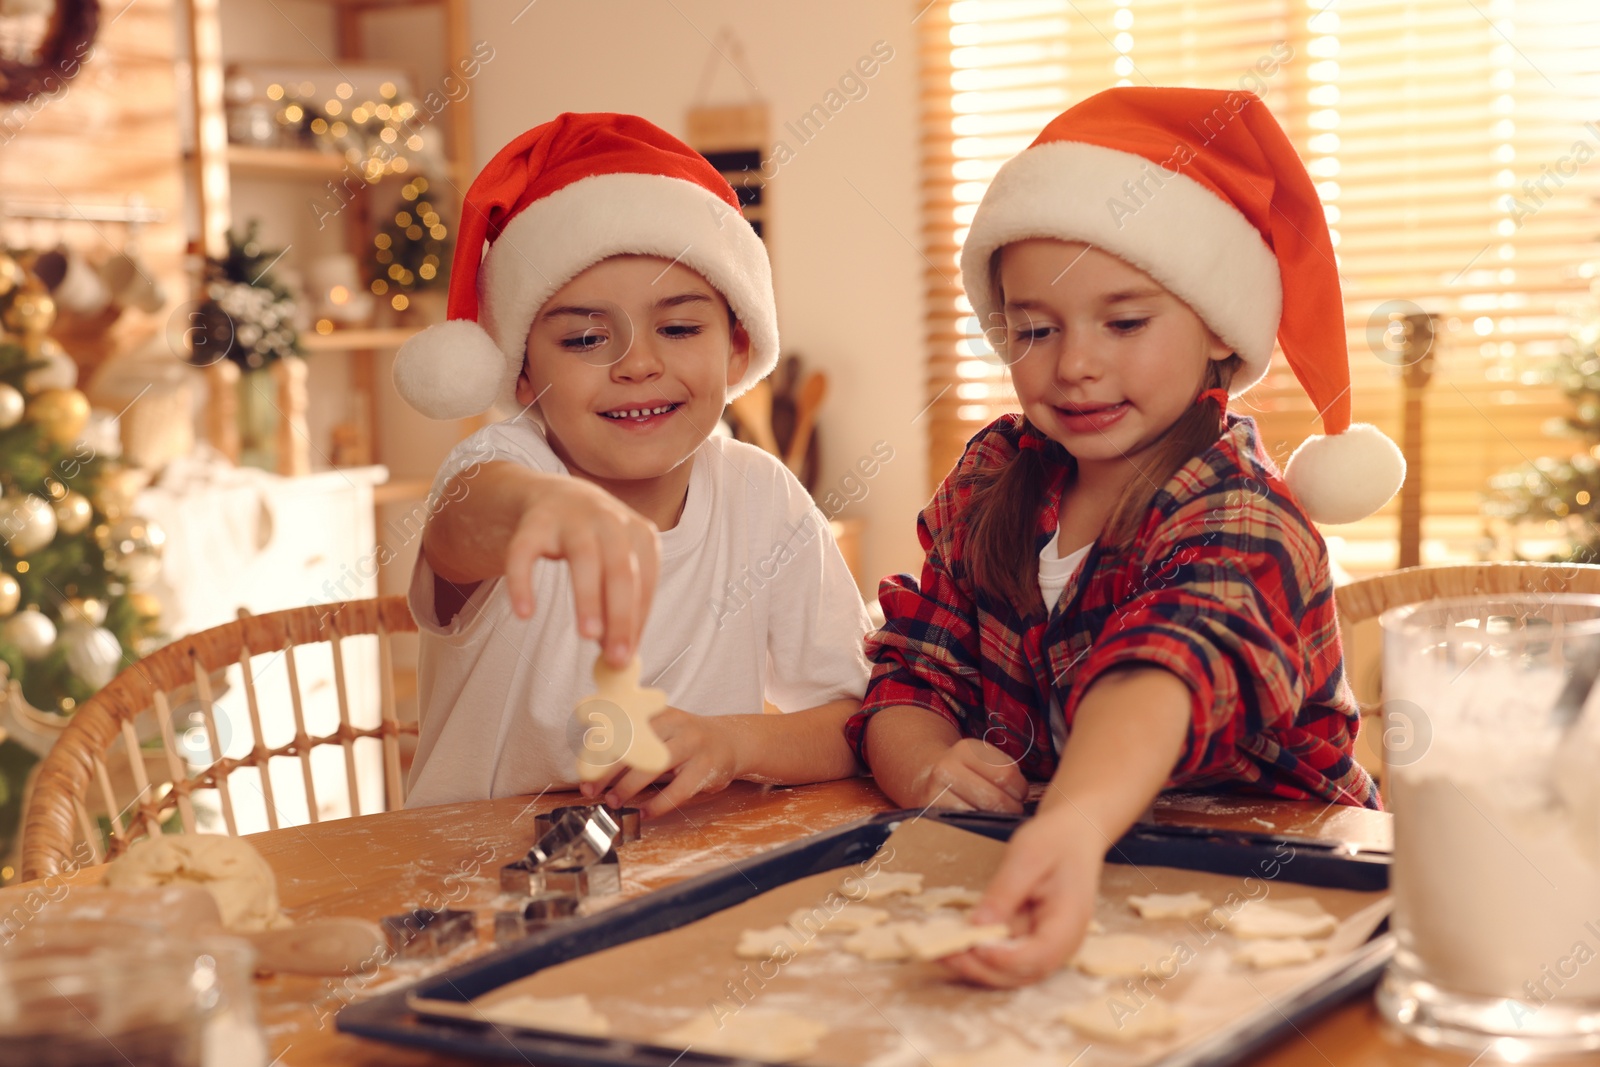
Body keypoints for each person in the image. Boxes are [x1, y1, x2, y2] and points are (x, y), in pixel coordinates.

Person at [846, 87, 1405, 987]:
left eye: (1126, 320)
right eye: (1035, 328)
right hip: (1064, 884)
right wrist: (925, 766)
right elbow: (912, 671)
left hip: (1288, 916)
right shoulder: (990, 481)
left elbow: (1169, 666)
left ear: (1217, 331)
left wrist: (1070, 818)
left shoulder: (1247, 514)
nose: (1075, 363)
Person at [392, 113, 871, 814]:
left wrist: (732, 743)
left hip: (687, 878)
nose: (638, 364)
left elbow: (851, 722)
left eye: (678, 328)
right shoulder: (507, 464)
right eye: (586, 338)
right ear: (524, 377)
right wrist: (542, 508)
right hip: (476, 888)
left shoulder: (760, 494)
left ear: (737, 350)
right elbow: (463, 522)